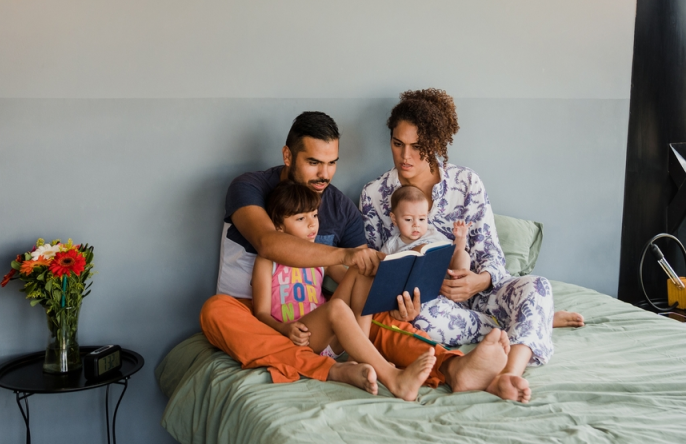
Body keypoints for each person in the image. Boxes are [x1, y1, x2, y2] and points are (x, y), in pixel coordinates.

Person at [201, 111, 513, 397]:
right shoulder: (249, 187)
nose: (325, 174)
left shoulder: (340, 207)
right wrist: (344, 255)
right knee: (215, 311)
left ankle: (453, 367)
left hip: (313, 316)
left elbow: (359, 272)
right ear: (288, 155)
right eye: (313, 162)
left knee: (373, 314)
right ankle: (334, 370)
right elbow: (269, 243)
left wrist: (397, 300)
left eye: (332, 163)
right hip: (253, 312)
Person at [359, 89, 585, 403]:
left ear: (435, 143)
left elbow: (491, 251)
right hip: (429, 307)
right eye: (398, 144)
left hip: (482, 296)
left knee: (539, 287)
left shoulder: (466, 183)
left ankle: (511, 372)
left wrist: (479, 281)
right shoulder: (374, 195)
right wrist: (400, 306)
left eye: (417, 146)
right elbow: (376, 269)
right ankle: (531, 321)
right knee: (420, 321)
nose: (405, 156)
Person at [252, 180, 439, 400]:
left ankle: (359, 355)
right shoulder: (267, 261)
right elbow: (261, 313)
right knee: (337, 307)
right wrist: (285, 329)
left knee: (362, 269)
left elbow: (353, 280)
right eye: (301, 219)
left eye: (314, 215)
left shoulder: (321, 256)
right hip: (300, 338)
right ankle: (393, 378)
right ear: (279, 227)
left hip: (330, 335)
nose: (312, 224)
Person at [382, 185, 471, 274]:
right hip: (416, 282)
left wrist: (460, 238)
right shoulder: (392, 245)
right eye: (408, 219)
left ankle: (459, 278)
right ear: (394, 219)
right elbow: (382, 268)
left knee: (462, 254)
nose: (416, 224)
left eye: (421, 219)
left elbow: (453, 253)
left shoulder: (432, 233)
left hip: (444, 277)